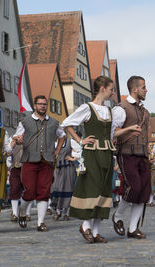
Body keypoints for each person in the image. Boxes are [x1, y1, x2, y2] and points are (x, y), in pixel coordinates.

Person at [61, 76, 116, 243]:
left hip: (107, 153)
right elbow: (66, 123)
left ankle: (96, 231)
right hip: (92, 154)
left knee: (104, 190)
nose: (112, 92)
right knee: (93, 188)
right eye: (111, 89)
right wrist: (80, 140)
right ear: (102, 89)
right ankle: (85, 226)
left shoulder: (109, 110)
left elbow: (112, 133)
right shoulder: (87, 108)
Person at [13, 95, 66, 232]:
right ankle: (23, 212)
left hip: (47, 161)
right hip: (30, 160)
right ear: (35, 106)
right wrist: (18, 140)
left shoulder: (54, 122)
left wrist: (57, 151)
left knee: (44, 192)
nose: (43, 106)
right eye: (40, 104)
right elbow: (17, 137)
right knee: (29, 191)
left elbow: (62, 136)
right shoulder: (25, 122)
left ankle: (40, 222)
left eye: (45, 104)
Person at [112, 75, 151, 239]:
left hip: (143, 155)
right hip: (126, 153)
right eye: (143, 87)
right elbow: (113, 133)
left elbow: (147, 136)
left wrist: (149, 152)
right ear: (134, 89)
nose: (146, 90)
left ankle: (133, 228)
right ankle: (118, 216)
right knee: (133, 187)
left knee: (144, 191)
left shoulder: (145, 112)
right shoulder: (121, 108)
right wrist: (128, 130)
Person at [50, 138, 79, 221]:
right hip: (57, 169)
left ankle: (67, 212)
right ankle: (58, 211)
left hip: (68, 168)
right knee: (56, 188)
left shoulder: (69, 141)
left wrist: (73, 158)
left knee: (67, 188)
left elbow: (80, 150)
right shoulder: (53, 142)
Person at [8, 144, 33, 222]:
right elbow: (8, 152)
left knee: (29, 190)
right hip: (16, 167)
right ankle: (15, 213)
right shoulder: (13, 139)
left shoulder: (33, 136)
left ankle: (27, 213)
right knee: (14, 189)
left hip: (30, 166)